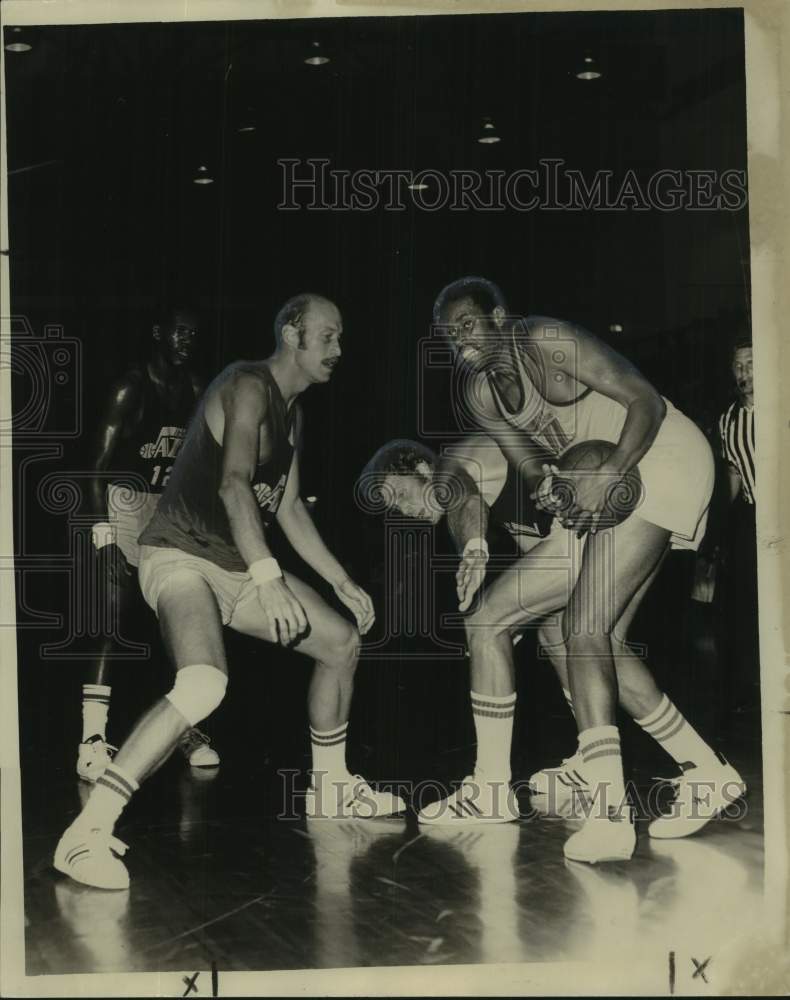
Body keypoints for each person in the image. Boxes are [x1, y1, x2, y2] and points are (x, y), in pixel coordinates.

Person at [385, 275, 742, 862]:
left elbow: (645, 401)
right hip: (608, 484)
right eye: (449, 336)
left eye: (468, 325)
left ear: (500, 316)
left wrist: (610, 470)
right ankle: (705, 771)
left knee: (565, 627)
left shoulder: (546, 340)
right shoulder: (481, 393)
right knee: (556, 635)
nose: (460, 343)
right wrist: (548, 489)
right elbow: (531, 466)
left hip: (659, 458)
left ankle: (594, 808)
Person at [55, 293, 404, 890]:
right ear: (292, 334)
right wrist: (268, 578)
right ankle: (86, 832)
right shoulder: (246, 385)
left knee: (341, 642)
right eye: (329, 336)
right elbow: (235, 485)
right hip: (180, 554)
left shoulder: (295, 413)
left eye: (340, 338)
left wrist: (341, 580)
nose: (339, 350)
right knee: (203, 682)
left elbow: (288, 506)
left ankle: (331, 786)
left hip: (238, 563)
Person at [79, 307, 220, 781]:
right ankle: (92, 739)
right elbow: (95, 466)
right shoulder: (130, 387)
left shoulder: (198, 390)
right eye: (181, 331)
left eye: (194, 333)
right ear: (159, 333)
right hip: (120, 500)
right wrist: (103, 537)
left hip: (167, 507)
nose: (188, 340)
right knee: (110, 618)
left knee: (179, 617)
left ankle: (182, 727)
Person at [717, 336, 759, 712]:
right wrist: (714, 526)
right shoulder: (728, 420)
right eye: (738, 366)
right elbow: (732, 474)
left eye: (751, 363)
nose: (744, 373)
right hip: (753, 519)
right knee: (749, 605)